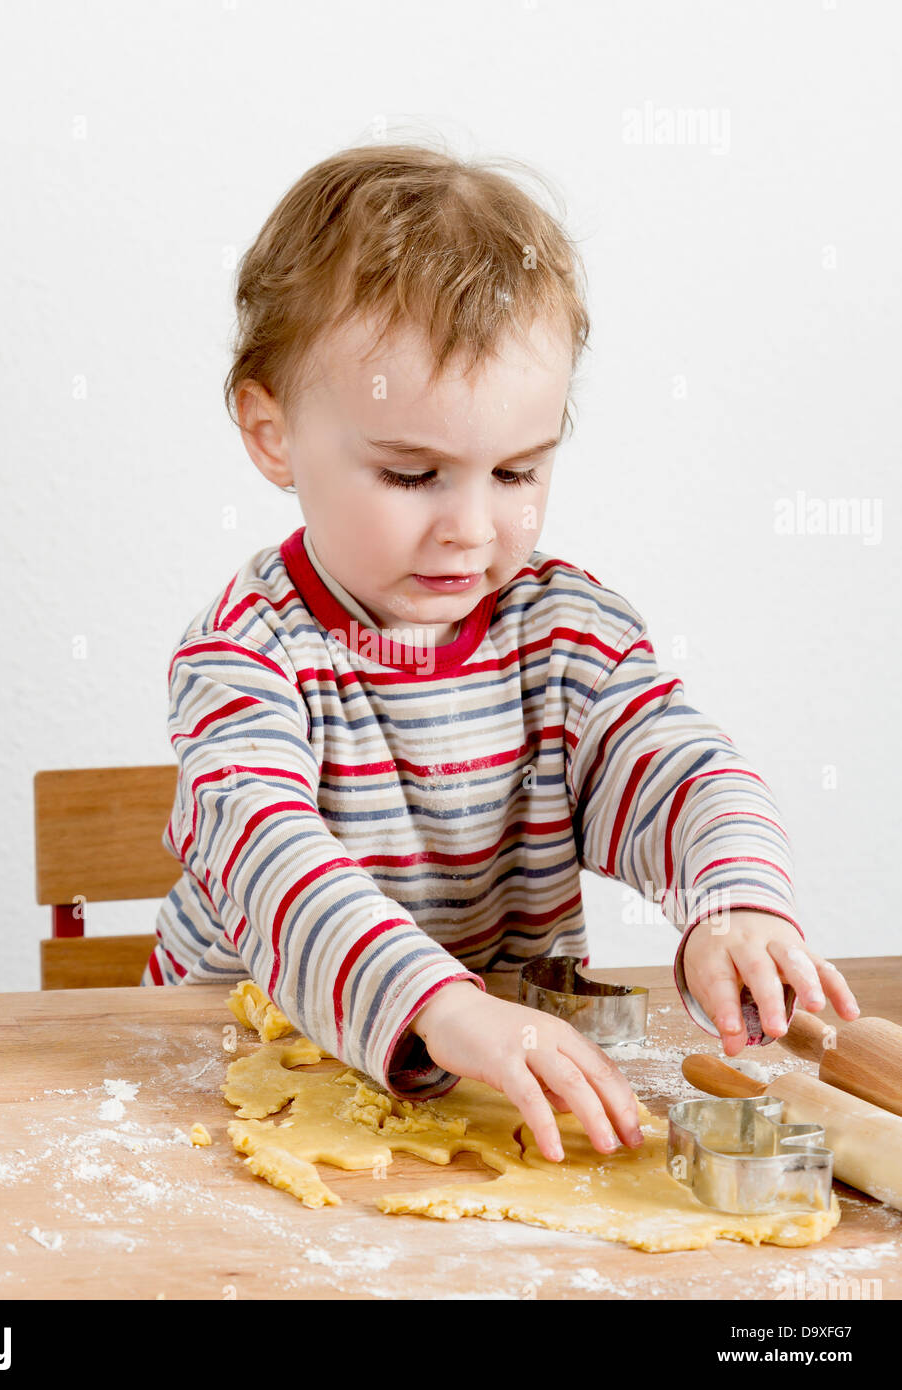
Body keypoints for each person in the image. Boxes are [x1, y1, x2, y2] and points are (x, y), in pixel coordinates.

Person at [142, 141, 859, 1163]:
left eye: (517, 471)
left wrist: (729, 900)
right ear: (271, 432)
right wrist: (439, 1002)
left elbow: (680, 768)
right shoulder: (247, 655)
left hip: (477, 1092)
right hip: (232, 1086)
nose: (471, 529)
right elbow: (272, 861)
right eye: (412, 475)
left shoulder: (559, 638)